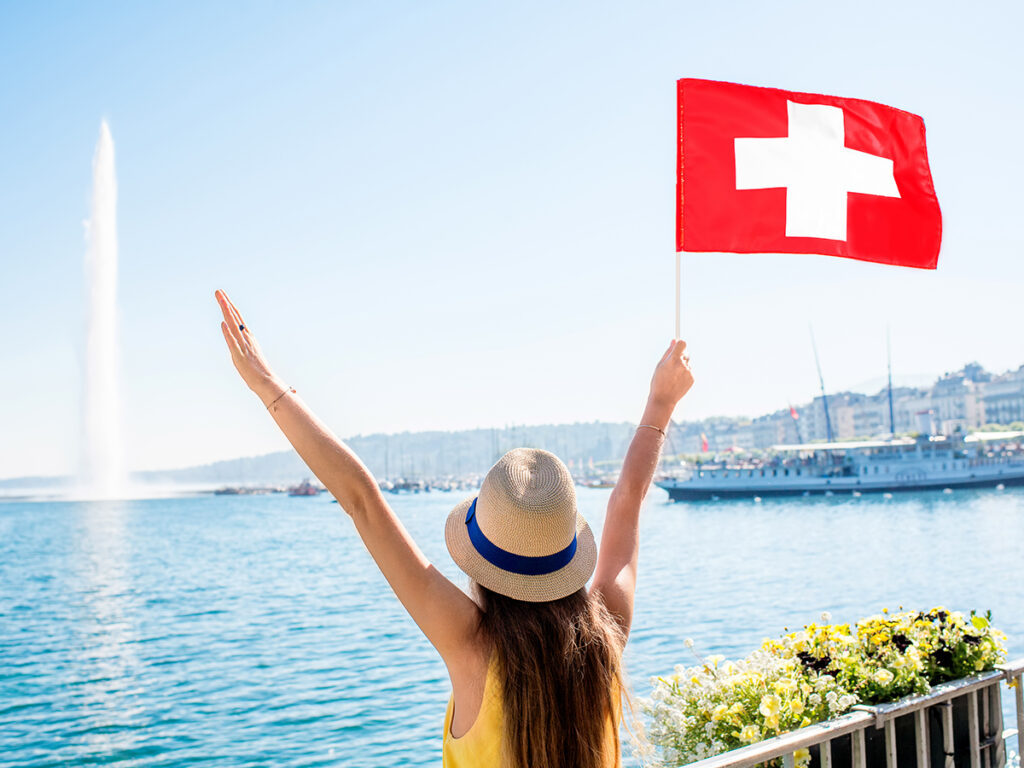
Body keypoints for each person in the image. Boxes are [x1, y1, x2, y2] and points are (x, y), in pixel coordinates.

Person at [214, 288, 694, 767]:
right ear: (566, 553)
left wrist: (266, 385)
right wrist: (660, 402)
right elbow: (626, 502)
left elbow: (361, 498)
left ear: (483, 564)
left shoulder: (472, 646)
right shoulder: (605, 632)